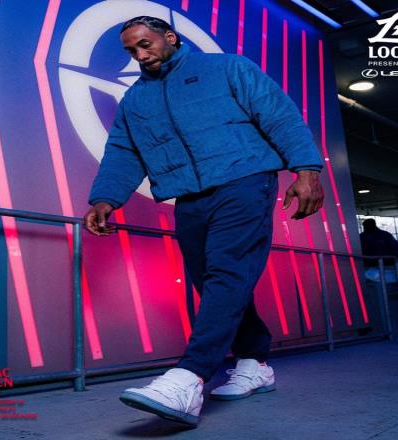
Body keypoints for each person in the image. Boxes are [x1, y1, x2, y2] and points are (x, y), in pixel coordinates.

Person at [83, 16, 324, 427]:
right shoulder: (135, 99)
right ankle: (254, 361)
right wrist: (105, 198)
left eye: (145, 44)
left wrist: (306, 170)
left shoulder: (227, 67)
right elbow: (123, 152)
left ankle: (189, 377)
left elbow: (279, 116)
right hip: (189, 196)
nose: (140, 54)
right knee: (212, 280)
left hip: (245, 179)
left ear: (170, 37)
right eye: (132, 50)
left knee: (227, 272)